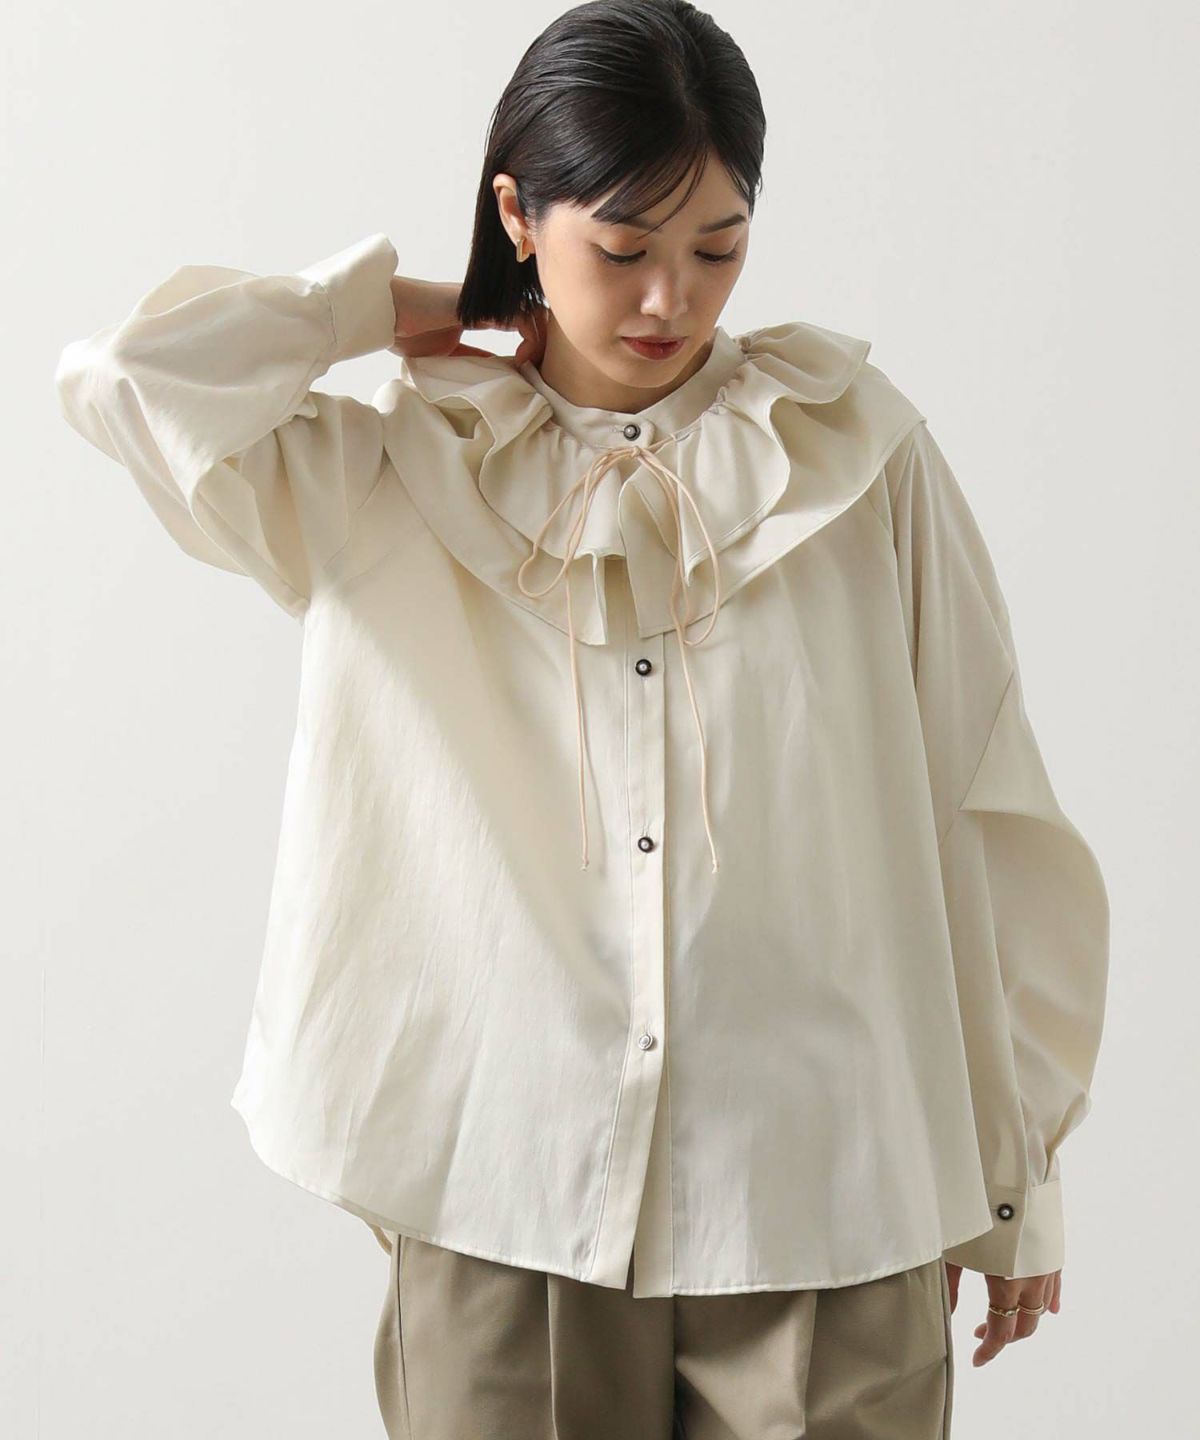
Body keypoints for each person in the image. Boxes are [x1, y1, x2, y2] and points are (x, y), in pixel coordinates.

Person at [53, 1, 1110, 1435]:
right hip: (503, 1191)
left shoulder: (856, 455)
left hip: (831, 1187)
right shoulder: (391, 468)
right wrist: (391, 308)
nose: (671, 300)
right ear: (520, 213)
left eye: (718, 250)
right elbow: (128, 384)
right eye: (622, 250)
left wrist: (1017, 1175)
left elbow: (980, 806)